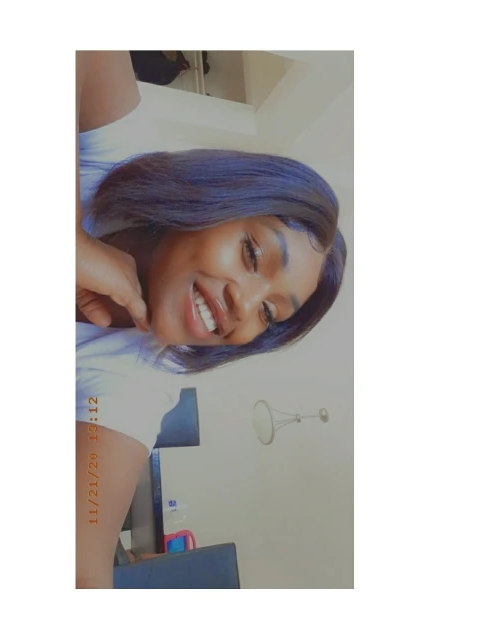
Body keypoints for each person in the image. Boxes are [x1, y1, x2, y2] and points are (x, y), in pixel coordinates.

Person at [75, 52, 347, 588]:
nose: (243, 308)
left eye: (268, 313)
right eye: (252, 253)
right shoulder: (122, 160)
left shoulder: (137, 382)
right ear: (216, 199)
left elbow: (81, 563)